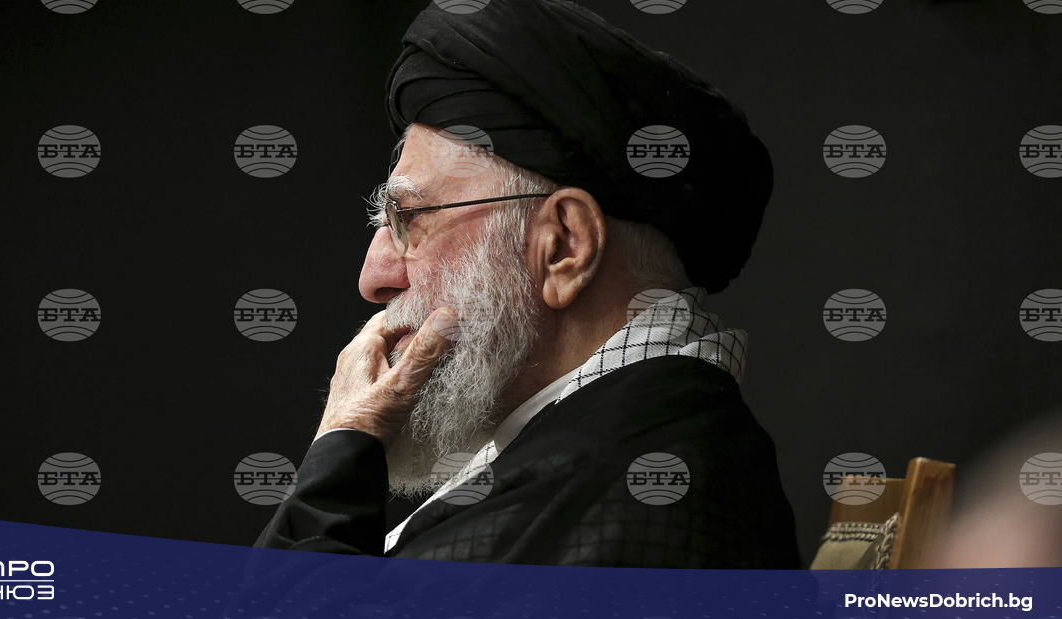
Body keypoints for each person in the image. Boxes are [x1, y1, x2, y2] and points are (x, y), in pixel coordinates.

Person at [254, 0, 801, 568]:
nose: (374, 278)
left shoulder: (612, 486)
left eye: (409, 219)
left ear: (563, 247)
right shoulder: (608, 446)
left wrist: (345, 442)